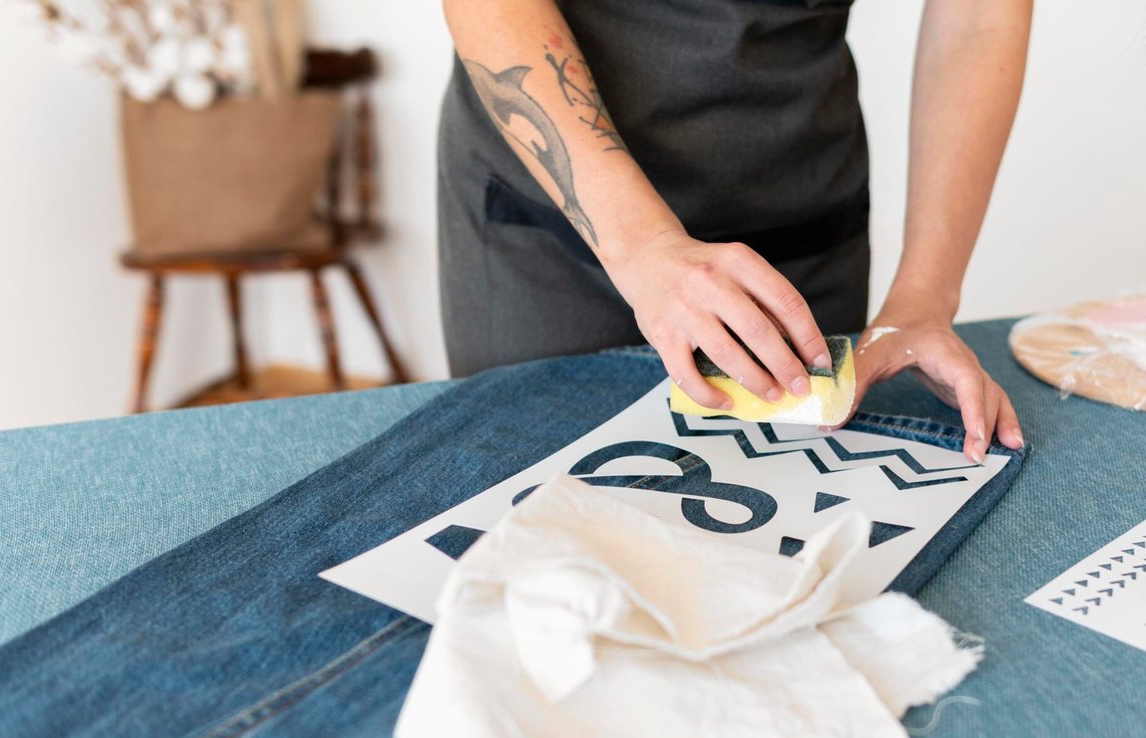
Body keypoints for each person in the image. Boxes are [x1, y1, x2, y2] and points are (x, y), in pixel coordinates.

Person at [439, 0, 1031, 461]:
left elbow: (977, 17)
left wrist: (923, 299)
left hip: (804, 228)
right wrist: (642, 245)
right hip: (558, 229)